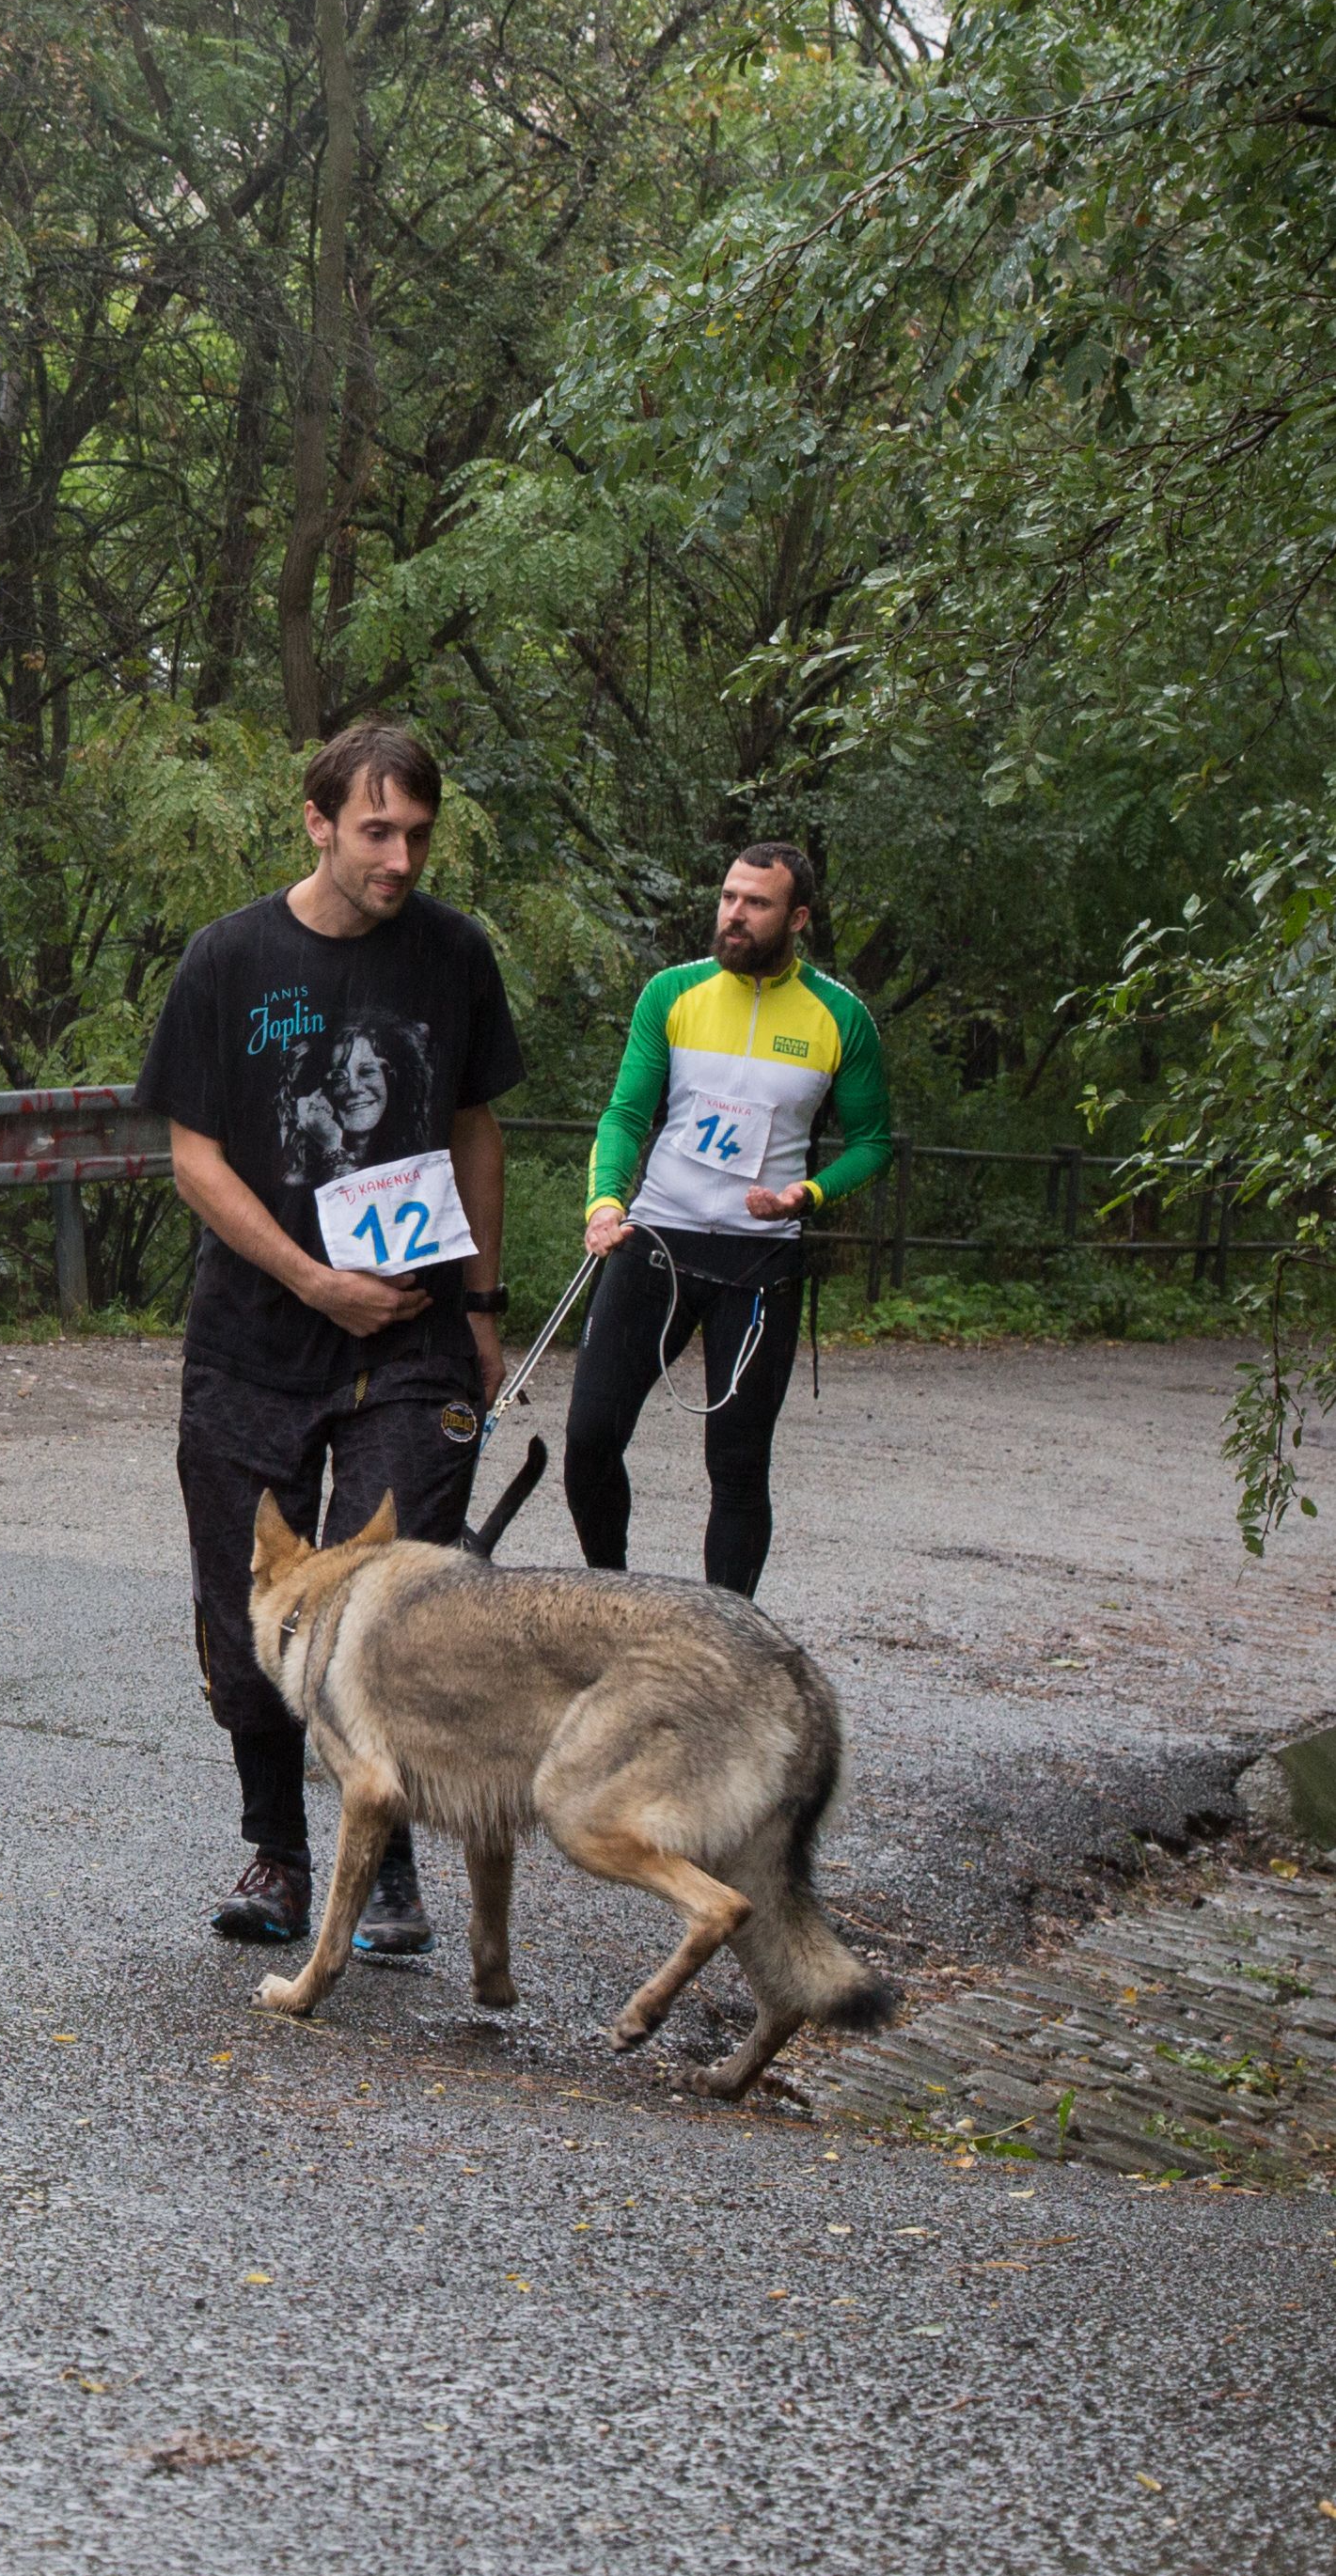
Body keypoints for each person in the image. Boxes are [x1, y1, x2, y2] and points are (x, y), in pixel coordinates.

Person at [134, 721, 521, 1958]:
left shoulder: (454, 955)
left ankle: (385, 1854)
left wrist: (480, 1306)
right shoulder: (229, 957)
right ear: (316, 822)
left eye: (417, 834)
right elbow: (192, 1159)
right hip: (252, 1336)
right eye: (375, 831)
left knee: (382, 1605)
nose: (399, 858)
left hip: (411, 1339)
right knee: (249, 1604)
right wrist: (311, 1278)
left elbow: (475, 1130)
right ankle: (278, 1852)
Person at [565, 841, 888, 1598]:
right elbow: (625, 1115)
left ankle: (725, 1632)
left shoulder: (842, 1017)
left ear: (798, 918)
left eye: (757, 903)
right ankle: (612, 1602)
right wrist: (605, 1201)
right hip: (655, 1240)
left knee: (738, 1463)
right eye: (729, 897)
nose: (735, 914)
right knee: (589, 1440)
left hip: (759, 1257)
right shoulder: (672, 994)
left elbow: (872, 1143)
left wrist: (807, 1195)